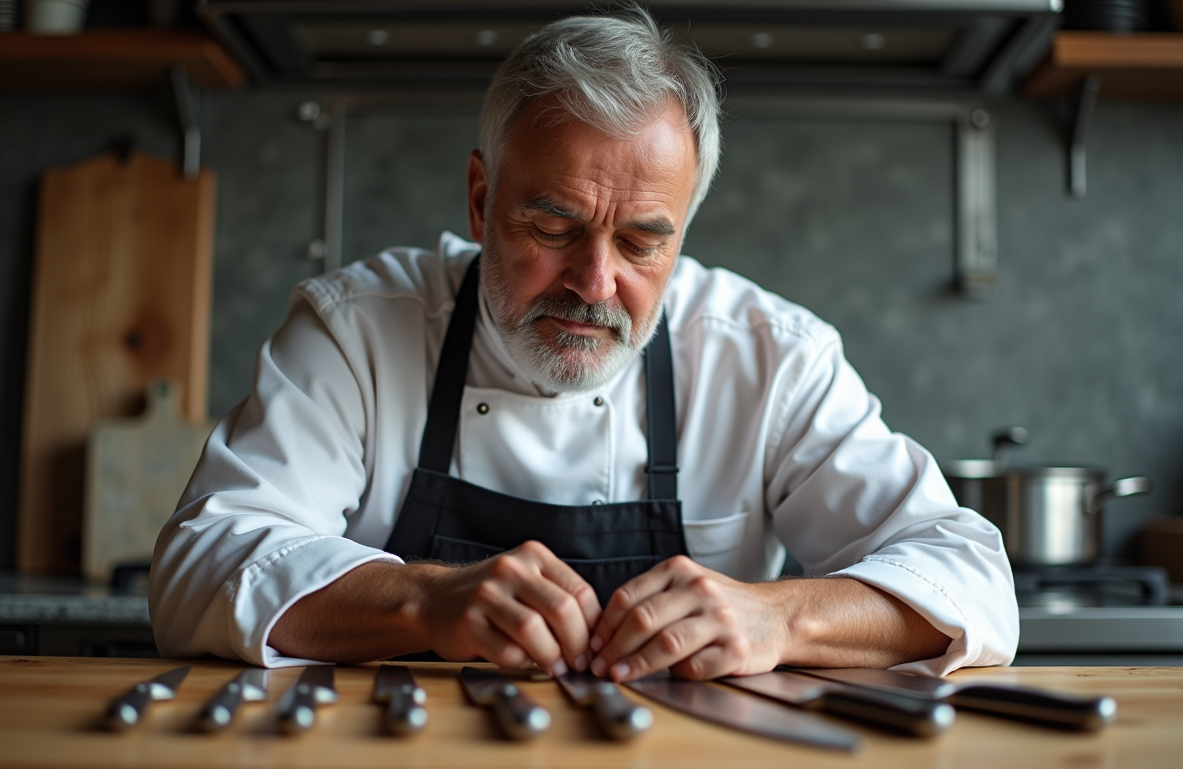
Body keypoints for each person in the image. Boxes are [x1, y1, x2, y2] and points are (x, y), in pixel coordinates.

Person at [149, 9, 1018, 681]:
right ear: (482, 201)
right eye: (553, 225)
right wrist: (421, 600)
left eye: (643, 241)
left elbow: (970, 579)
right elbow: (201, 562)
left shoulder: (769, 357)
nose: (595, 283)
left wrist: (781, 617)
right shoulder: (356, 330)